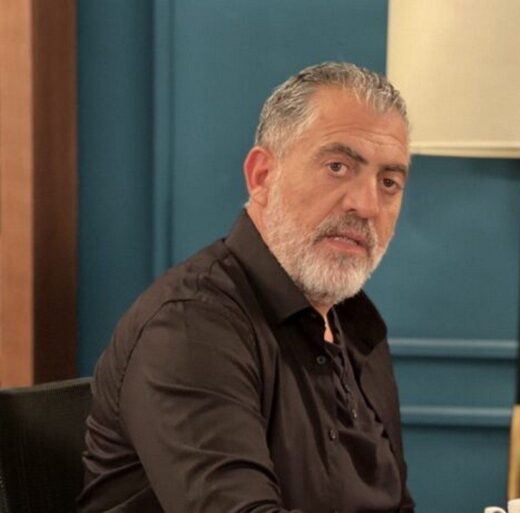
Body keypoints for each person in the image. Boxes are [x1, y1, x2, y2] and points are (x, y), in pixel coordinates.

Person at [77, 62, 415, 513]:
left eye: (389, 182)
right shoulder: (189, 325)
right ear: (262, 176)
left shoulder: (357, 322)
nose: (367, 205)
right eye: (337, 167)